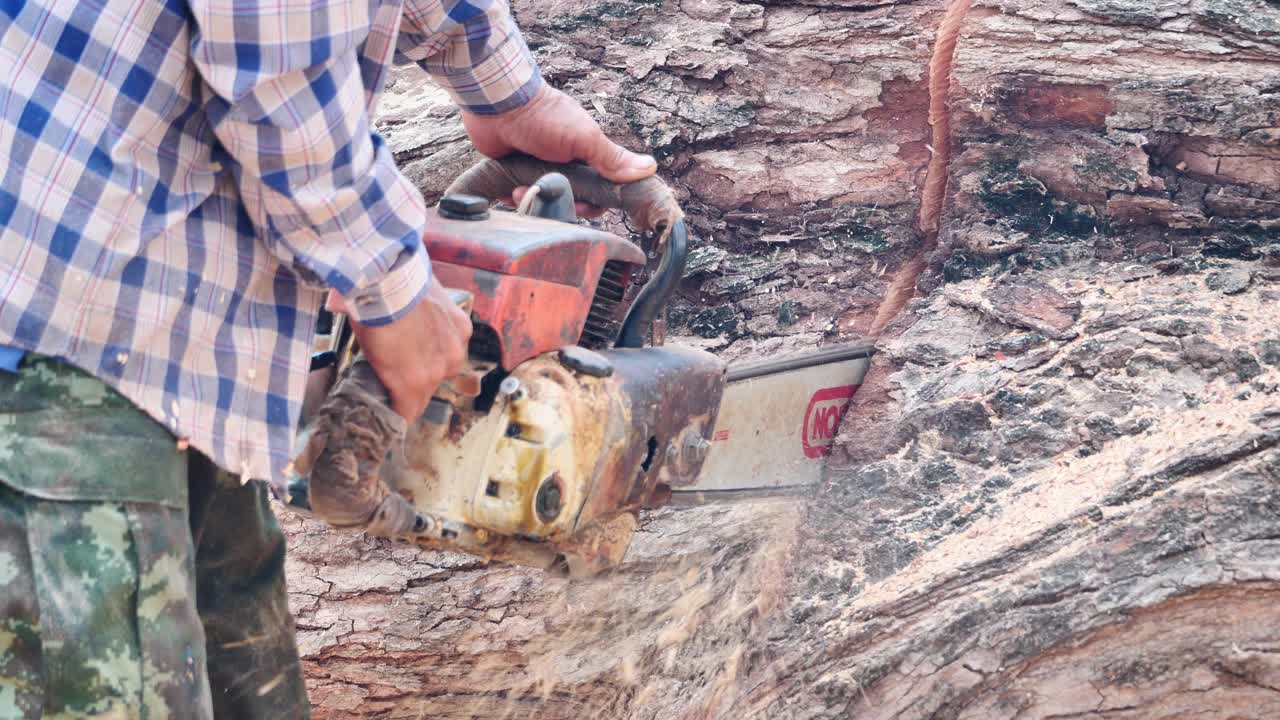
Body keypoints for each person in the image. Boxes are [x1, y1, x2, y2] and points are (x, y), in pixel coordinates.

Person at [0, 0, 656, 715]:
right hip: (60, 341)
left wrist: (507, 93)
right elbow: (276, 69)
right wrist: (394, 290)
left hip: (181, 363)